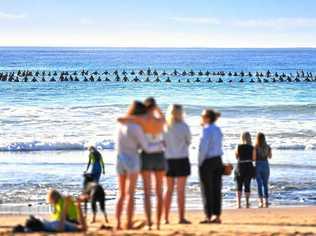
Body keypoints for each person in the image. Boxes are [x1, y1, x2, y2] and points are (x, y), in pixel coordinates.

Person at [117, 97, 166, 230]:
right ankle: (158, 224)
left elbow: (121, 119)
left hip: (145, 157)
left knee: (146, 192)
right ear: (155, 107)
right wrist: (158, 110)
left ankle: (149, 222)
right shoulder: (161, 121)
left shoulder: (141, 121)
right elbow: (164, 119)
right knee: (159, 191)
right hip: (160, 156)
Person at [163, 104, 191, 224]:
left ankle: (166, 218)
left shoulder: (165, 127)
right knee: (180, 190)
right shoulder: (184, 126)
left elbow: (161, 143)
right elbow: (188, 141)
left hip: (168, 160)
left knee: (168, 190)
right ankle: (181, 218)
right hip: (182, 159)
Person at [198, 109, 223, 224]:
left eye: (202, 116)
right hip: (218, 160)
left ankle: (208, 216)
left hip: (207, 161)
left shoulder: (206, 130)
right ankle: (217, 215)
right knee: (217, 188)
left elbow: (203, 148)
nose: (201, 118)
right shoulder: (218, 129)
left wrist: (200, 162)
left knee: (207, 189)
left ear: (207, 118)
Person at [235, 132, 256, 208]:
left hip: (240, 166)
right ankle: (247, 202)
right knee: (247, 184)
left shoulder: (238, 146)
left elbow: (236, 157)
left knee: (239, 185)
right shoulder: (252, 147)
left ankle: (239, 203)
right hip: (248, 166)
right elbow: (254, 159)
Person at [255, 132, 272, 208]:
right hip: (265, 164)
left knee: (259, 184)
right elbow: (270, 157)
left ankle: (260, 201)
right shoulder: (268, 147)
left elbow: (254, 158)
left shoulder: (255, 147)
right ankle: (266, 200)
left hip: (258, 164)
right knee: (265, 184)